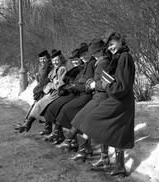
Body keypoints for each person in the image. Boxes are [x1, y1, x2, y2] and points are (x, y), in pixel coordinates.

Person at [79, 32, 136, 177]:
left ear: (121, 41)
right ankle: (118, 166)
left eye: (112, 44)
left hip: (120, 99)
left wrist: (105, 84)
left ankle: (112, 162)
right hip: (120, 98)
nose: (110, 48)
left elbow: (121, 87)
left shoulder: (124, 57)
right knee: (116, 131)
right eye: (108, 45)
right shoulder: (120, 57)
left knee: (93, 120)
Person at [56, 38, 112, 163]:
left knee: (83, 120)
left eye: (96, 53)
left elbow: (106, 82)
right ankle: (83, 150)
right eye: (93, 53)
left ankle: (75, 145)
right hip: (97, 96)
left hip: (100, 97)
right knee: (82, 121)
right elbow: (100, 80)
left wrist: (91, 84)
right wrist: (90, 82)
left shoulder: (103, 63)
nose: (94, 55)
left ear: (101, 51)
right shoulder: (99, 62)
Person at [41, 44, 96, 145]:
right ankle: (58, 133)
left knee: (65, 110)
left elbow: (87, 83)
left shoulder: (90, 64)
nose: (78, 60)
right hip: (74, 92)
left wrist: (73, 86)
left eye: (84, 55)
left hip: (83, 94)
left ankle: (72, 140)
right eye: (81, 56)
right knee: (52, 107)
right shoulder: (83, 65)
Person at [14, 50, 68, 133]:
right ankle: (29, 124)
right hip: (49, 91)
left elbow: (58, 83)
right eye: (53, 60)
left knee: (40, 105)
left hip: (54, 92)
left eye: (56, 60)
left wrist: (47, 87)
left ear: (61, 59)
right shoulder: (54, 68)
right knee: (38, 105)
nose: (55, 62)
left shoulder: (60, 68)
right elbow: (49, 79)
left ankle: (30, 124)